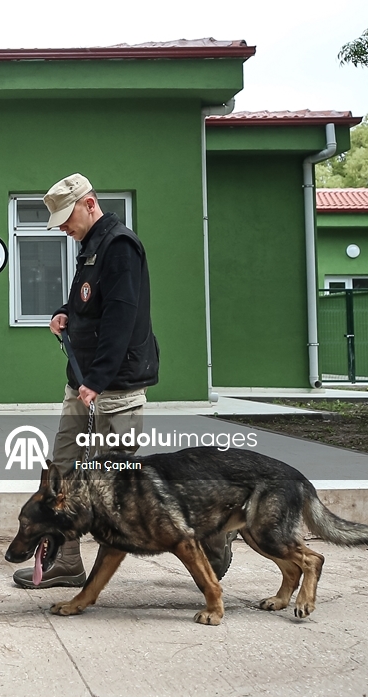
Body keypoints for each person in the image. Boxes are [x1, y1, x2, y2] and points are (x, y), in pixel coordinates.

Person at [12, 173, 233, 589]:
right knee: (62, 474)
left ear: (89, 204)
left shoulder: (120, 246)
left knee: (114, 483)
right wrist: (64, 313)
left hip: (114, 389)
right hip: (83, 384)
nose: (62, 227)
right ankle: (67, 563)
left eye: (66, 217)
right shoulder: (90, 246)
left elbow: (121, 317)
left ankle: (215, 541)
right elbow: (89, 301)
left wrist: (97, 379)